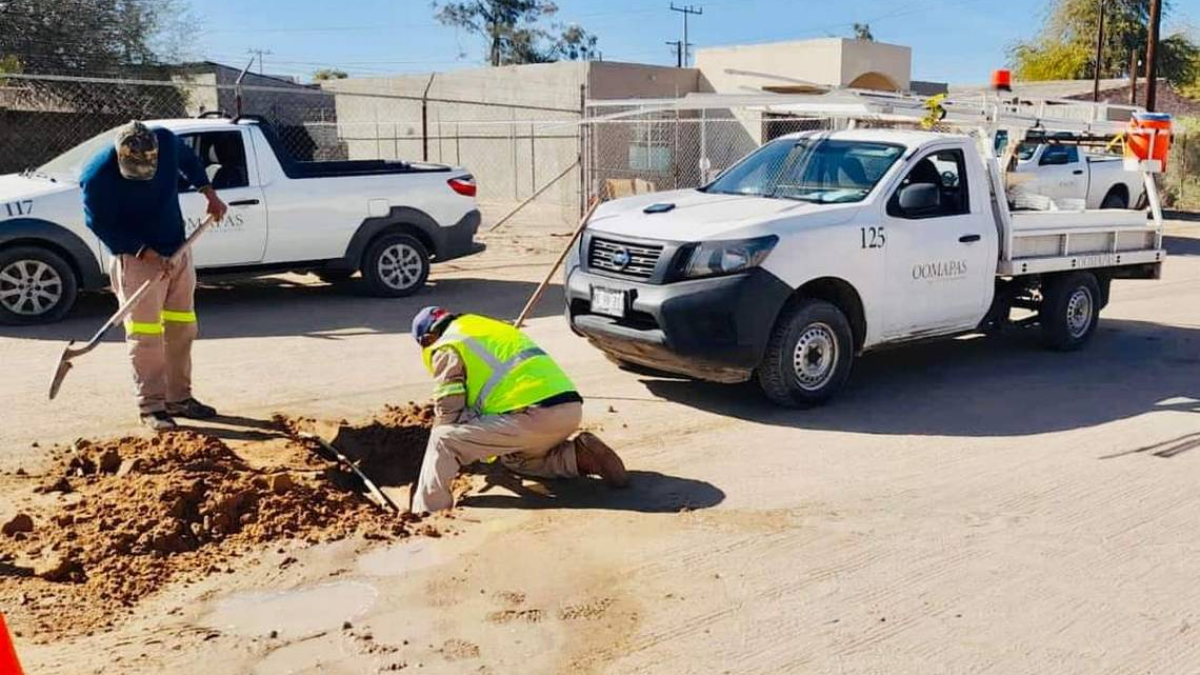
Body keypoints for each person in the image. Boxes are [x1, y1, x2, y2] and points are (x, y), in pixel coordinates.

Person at [80, 121, 228, 431]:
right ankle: (152, 407)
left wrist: (208, 193)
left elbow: (189, 161)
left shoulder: (164, 141)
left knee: (182, 326)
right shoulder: (96, 176)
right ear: (120, 157)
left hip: (177, 249)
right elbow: (101, 225)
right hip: (136, 259)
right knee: (146, 334)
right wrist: (144, 253)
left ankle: (179, 397)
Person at [410, 306, 628, 513]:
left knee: (443, 440)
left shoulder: (446, 345)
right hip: (568, 409)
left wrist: (442, 449)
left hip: (529, 415)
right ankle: (580, 456)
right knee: (517, 460)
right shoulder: (484, 328)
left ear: (428, 339)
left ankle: (429, 509)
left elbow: (449, 406)